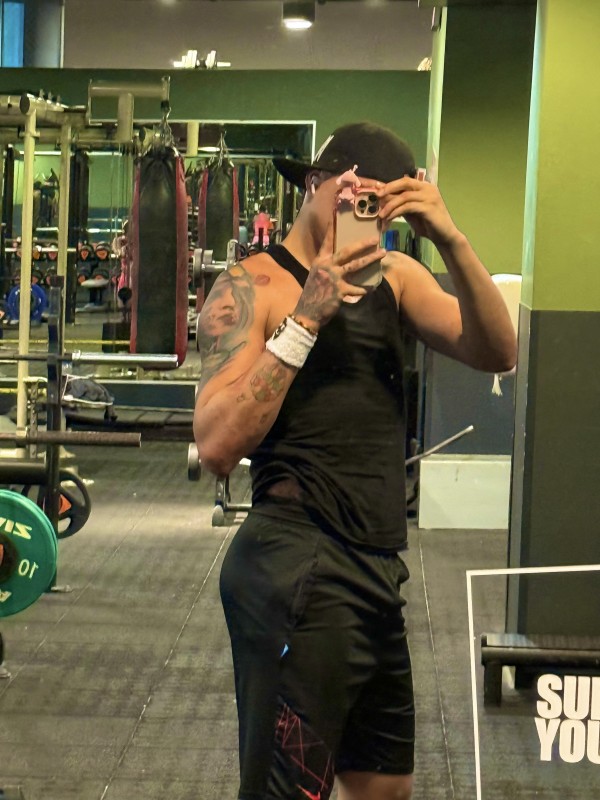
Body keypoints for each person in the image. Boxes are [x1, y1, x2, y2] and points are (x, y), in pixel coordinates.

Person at [193, 122, 517, 800]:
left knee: (383, 785)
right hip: (297, 566)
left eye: (380, 204)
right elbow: (217, 445)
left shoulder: (397, 276)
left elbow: (498, 350)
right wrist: (306, 318)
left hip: (375, 569)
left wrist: (450, 239)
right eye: (353, 195)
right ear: (316, 184)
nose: (363, 214)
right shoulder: (251, 286)